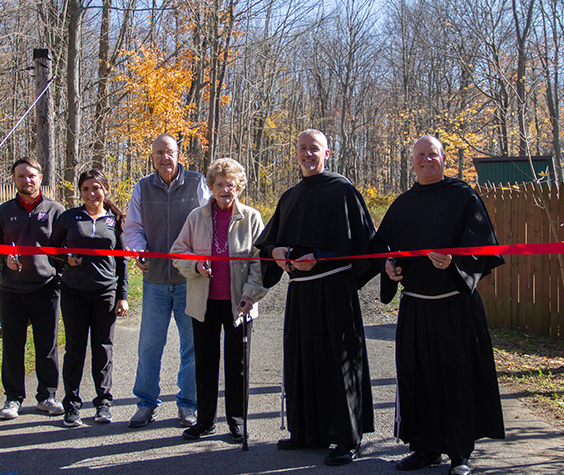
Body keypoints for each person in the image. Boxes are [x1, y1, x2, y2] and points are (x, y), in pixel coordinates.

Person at [373, 135, 505, 475]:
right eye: (420, 155)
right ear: (412, 161)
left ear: (443, 158)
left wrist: (456, 264)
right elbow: (381, 250)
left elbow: (484, 250)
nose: (426, 160)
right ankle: (424, 449)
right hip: (415, 309)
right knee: (418, 378)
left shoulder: (463, 197)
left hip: (454, 308)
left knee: (455, 378)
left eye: (432, 154)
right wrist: (388, 266)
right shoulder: (402, 203)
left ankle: (459, 453)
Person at [254, 129, 377, 466]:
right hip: (301, 293)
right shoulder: (290, 196)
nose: (308, 154)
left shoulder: (343, 190)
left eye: (314, 149)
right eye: (302, 148)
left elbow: (366, 247)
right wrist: (276, 250)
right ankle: (305, 431)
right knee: (302, 359)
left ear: (328, 153)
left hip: (335, 290)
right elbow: (267, 243)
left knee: (338, 362)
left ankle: (346, 437)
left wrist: (321, 256)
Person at [170, 158, 268, 443]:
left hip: (240, 303)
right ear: (211, 187)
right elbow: (179, 252)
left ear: (239, 187)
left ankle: (237, 421)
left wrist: (251, 294)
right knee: (205, 362)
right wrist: (196, 266)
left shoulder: (251, 217)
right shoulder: (196, 217)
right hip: (204, 302)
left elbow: (259, 262)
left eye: (231, 184)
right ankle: (205, 421)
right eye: (220, 184)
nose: (226, 189)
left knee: (236, 365)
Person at [124, 134, 212, 428]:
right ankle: (146, 403)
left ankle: (188, 403)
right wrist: (138, 251)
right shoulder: (142, 187)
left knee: (192, 346)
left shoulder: (197, 182)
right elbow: (133, 228)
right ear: (152, 156)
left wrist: (201, 258)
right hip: (156, 280)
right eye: (159, 152)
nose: (165, 157)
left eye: (170, 152)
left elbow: (208, 222)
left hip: (190, 280)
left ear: (178, 154)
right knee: (149, 345)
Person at [0, 157, 65, 420]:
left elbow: (66, 247)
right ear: (14, 180)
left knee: (47, 345)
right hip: (11, 290)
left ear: (40, 177)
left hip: (46, 288)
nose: (26, 180)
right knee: (12, 345)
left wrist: (60, 270)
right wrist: (3, 258)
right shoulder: (2, 211)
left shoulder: (56, 210)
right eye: (21, 176)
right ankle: (13, 398)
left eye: (31, 175)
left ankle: (47, 396)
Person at [49, 169, 129, 427]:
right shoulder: (69, 217)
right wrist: (65, 258)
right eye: (85, 189)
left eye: (96, 188)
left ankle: (103, 403)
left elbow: (122, 261)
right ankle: (71, 405)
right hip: (74, 292)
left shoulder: (114, 220)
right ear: (80, 192)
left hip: (105, 292)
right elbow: (52, 250)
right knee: (74, 349)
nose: (91, 193)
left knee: (103, 349)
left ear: (105, 189)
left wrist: (122, 296)